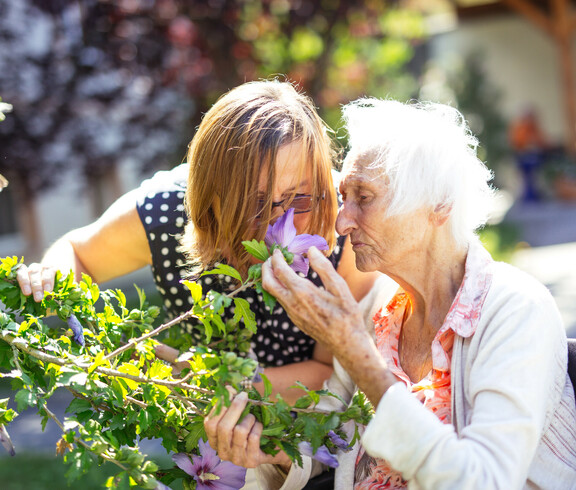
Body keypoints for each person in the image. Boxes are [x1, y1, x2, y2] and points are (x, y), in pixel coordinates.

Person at [205, 98, 576, 489]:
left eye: (363, 198)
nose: (342, 221)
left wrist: (358, 357)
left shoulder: (515, 310)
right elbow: (330, 438)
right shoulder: (380, 310)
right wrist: (275, 452)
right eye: (343, 198)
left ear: (439, 205)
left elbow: (484, 481)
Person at [16, 80, 377, 404]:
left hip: (300, 435)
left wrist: (213, 380)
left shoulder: (340, 221)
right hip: (201, 437)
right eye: (254, 202)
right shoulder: (166, 212)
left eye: (298, 197)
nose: (277, 219)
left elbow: (328, 370)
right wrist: (50, 281)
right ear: (208, 194)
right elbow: (78, 252)